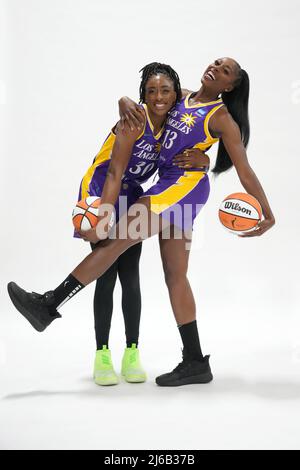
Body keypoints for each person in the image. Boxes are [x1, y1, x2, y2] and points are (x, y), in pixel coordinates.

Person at [7, 58, 275, 387]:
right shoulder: (182, 96)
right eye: (216, 62)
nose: (216, 68)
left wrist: (266, 210)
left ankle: (48, 305)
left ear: (229, 86)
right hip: (172, 188)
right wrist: (123, 101)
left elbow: (244, 168)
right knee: (175, 276)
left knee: (116, 240)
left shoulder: (221, 118)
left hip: (182, 189)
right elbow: (152, 100)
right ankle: (195, 360)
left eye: (225, 71)